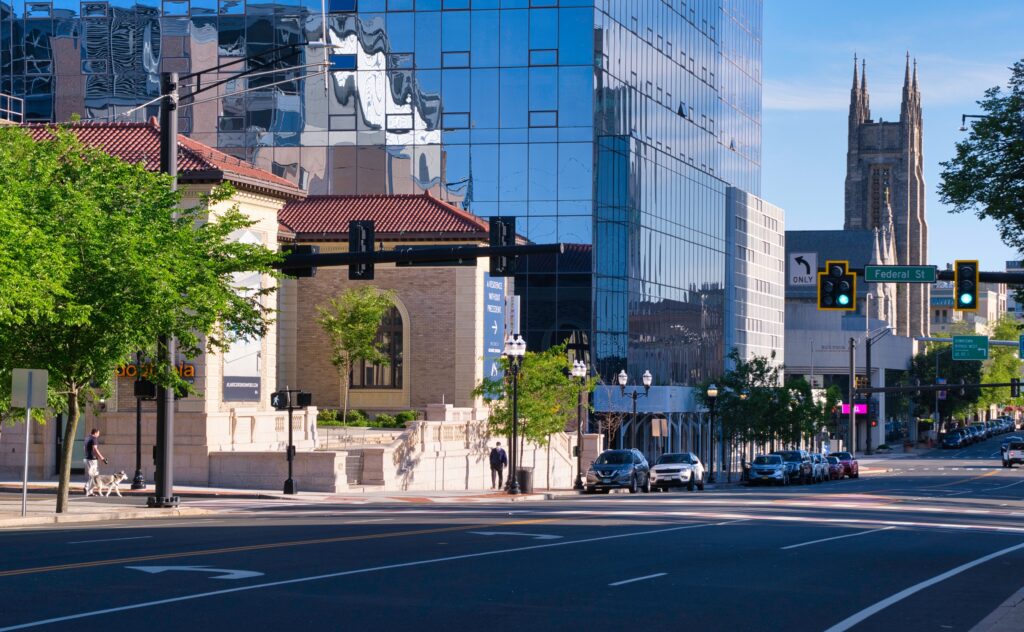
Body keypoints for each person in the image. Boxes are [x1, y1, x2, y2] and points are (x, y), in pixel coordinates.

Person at [83, 428, 107, 497]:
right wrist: (102, 458)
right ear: (95, 433)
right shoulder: (94, 439)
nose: (99, 435)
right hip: (92, 459)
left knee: (93, 475)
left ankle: (89, 491)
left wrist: (87, 455)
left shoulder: (87, 438)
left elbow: (84, 448)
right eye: (98, 433)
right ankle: (87, 487)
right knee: (94, 475)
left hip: (87, 458)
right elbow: (95, 449)